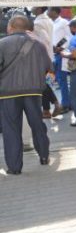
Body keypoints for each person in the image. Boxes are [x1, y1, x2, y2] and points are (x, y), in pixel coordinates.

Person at [0, 15, 52, 174]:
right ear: (27, 28)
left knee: (11, 129)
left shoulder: (2, 43)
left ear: (10, 27)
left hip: (8, 93)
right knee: (37, 124)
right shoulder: (39, 45)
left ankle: (14, 167)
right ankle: (44, 156)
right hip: (34, 92)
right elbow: (48, 68)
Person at [49, 7, 72, 112]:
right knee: (58, 80)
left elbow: (69, 36)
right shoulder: (50, 23)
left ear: (55, 12)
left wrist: (60, 47)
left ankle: (65, 104)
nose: (47, 12)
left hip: (61, 54)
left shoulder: (63, 22)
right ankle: (68, 103)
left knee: (62, 80)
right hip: (53, 54)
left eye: (49, 10)